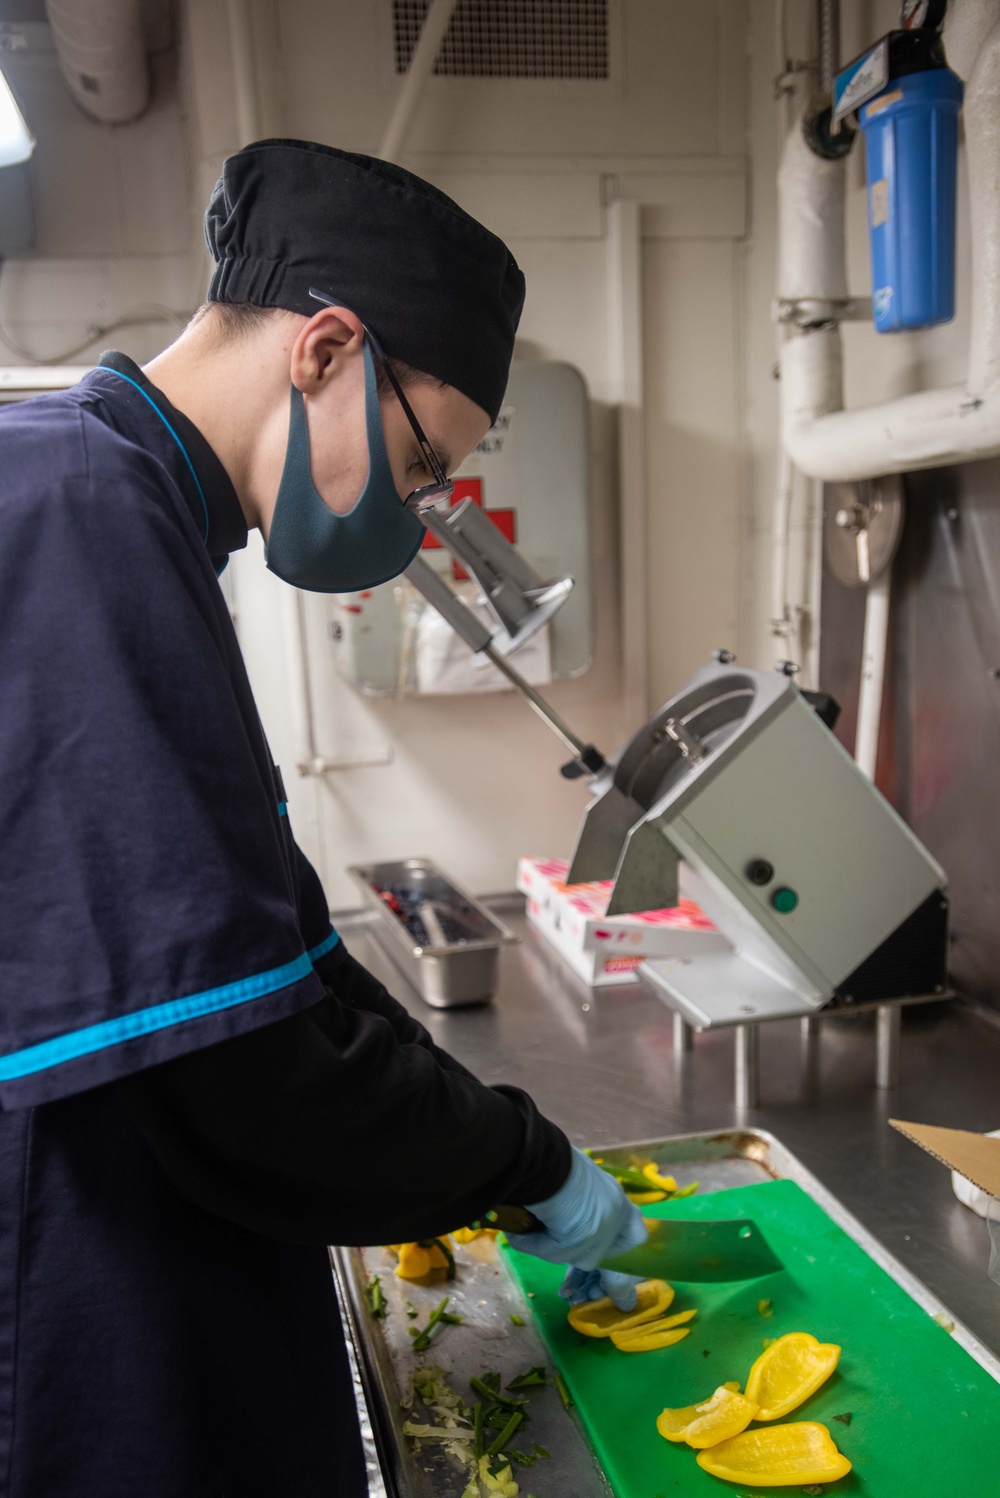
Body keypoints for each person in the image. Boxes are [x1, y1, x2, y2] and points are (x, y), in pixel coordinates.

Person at [0, 139, 645, 1497]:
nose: (418, 517)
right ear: (327, 348)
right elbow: (239, 1067)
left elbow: (275, 946)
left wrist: (484, 1130)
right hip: (76, 1275)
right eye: (424, 465)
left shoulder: (142, 511)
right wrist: (522, 1155)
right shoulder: (78, 511)